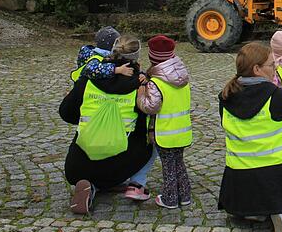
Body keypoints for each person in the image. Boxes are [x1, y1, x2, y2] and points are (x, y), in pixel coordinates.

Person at [217, 42, 282, 232]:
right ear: (256, 69)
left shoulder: (225, 97)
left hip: (240, 174)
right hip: (279, 173)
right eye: (272, 65)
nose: (276, 68)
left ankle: (252, 209)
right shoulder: (277, 96)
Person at [59, 36, 156, 214]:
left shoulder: (87, 80)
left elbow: (66, 113)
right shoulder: (139, 84)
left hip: (77, 166)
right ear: (137, 58)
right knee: (152, 138)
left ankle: (92, 185)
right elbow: (143, 126)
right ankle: (135, 184)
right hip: (120, 163)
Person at [137, 35, 193, 209]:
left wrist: (141, 92)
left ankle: (169, 198)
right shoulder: (181, 78)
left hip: (165, 132)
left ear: (152, 57)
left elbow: (150, 106)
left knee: (168, 166)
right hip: (182, 130)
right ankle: (184, 195)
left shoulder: (156, 83)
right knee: (179, 163)